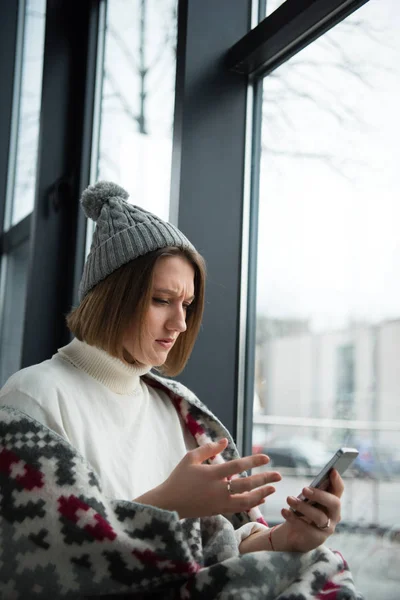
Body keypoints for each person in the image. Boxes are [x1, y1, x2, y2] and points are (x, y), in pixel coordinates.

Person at [0, 181, 360, 599]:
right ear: (111, 297)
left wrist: (287, 537)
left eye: (186, 304)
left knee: (320, 560)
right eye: (160, 300)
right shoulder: (31, 399)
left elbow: (213, 554)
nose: (180, 324)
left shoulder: (174, 407)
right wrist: (170, 505)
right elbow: (36, 571)